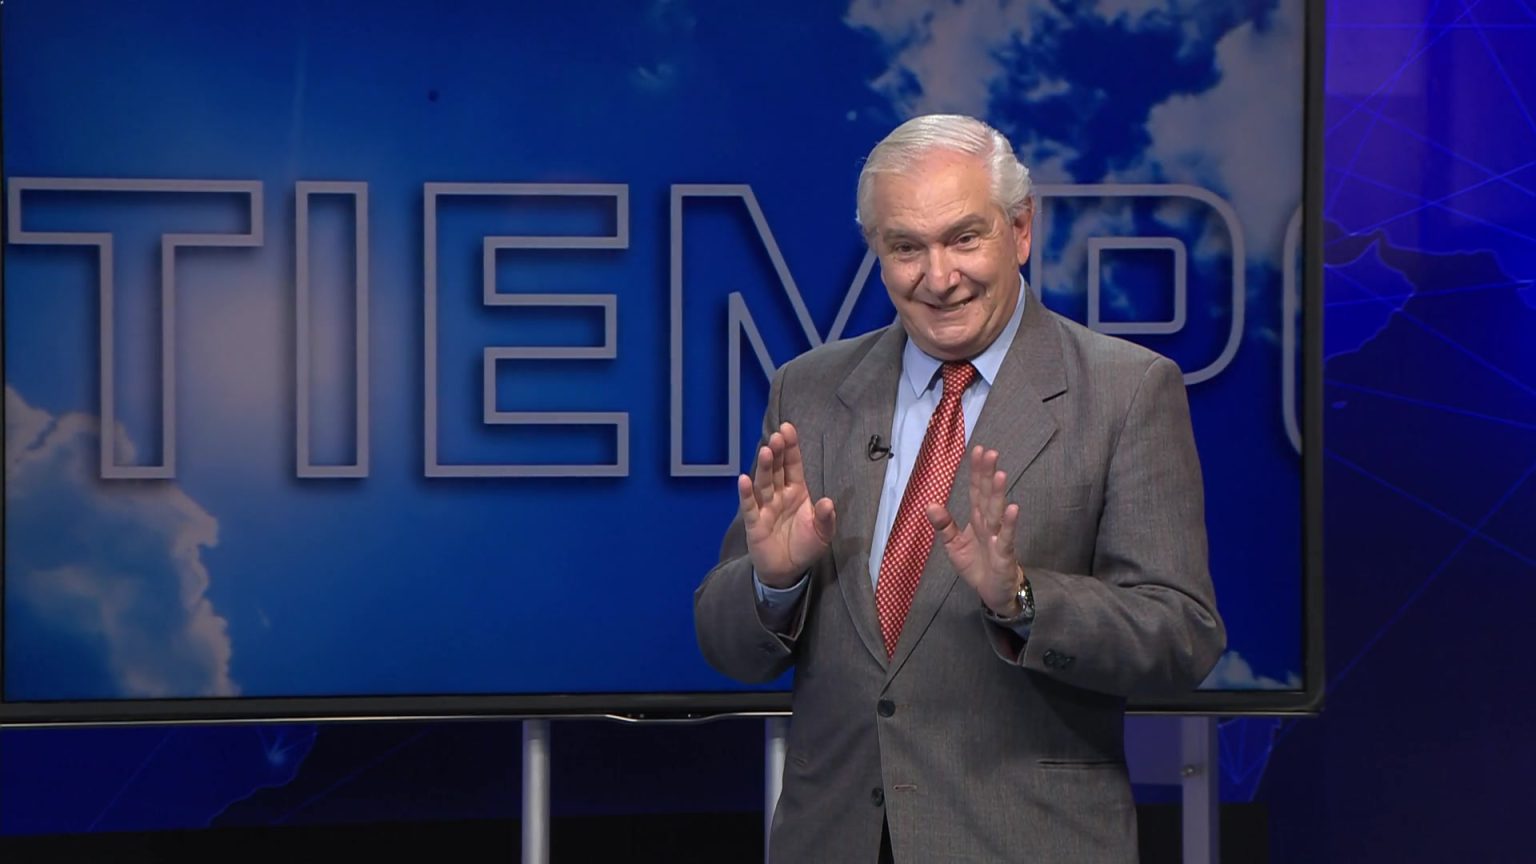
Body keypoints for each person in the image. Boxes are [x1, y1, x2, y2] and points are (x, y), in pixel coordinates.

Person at [694, 114, 1225, 864]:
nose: (938, 277)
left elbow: (1181, 636)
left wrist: (1023, 601)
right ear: (877, 252)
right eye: (906, 247)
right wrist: (774, 584)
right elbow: (729, 649)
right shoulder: (808, 392)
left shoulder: (1126, 391)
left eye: (964, 238)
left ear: (1021, 230)